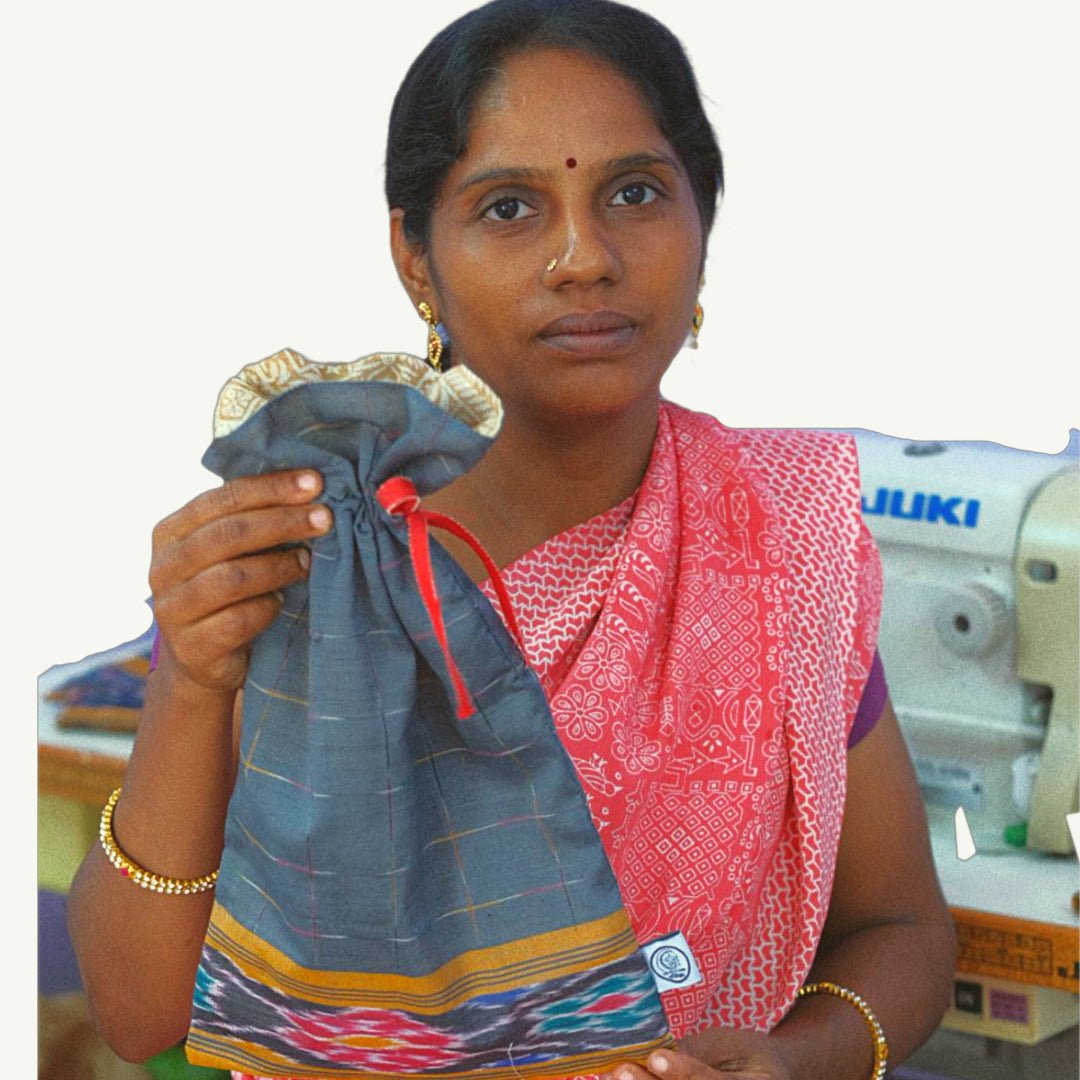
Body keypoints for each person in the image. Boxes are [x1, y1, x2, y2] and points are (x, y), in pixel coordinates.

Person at [68, 2, 957, 1078]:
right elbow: (140, 1015)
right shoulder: (318, 557)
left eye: (635, 193)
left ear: (703, 226)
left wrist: (796, 1060)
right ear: (416, 259)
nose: (584, 258)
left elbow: (901, 927)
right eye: (508, 208)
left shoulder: (776, 537)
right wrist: (190, 682)